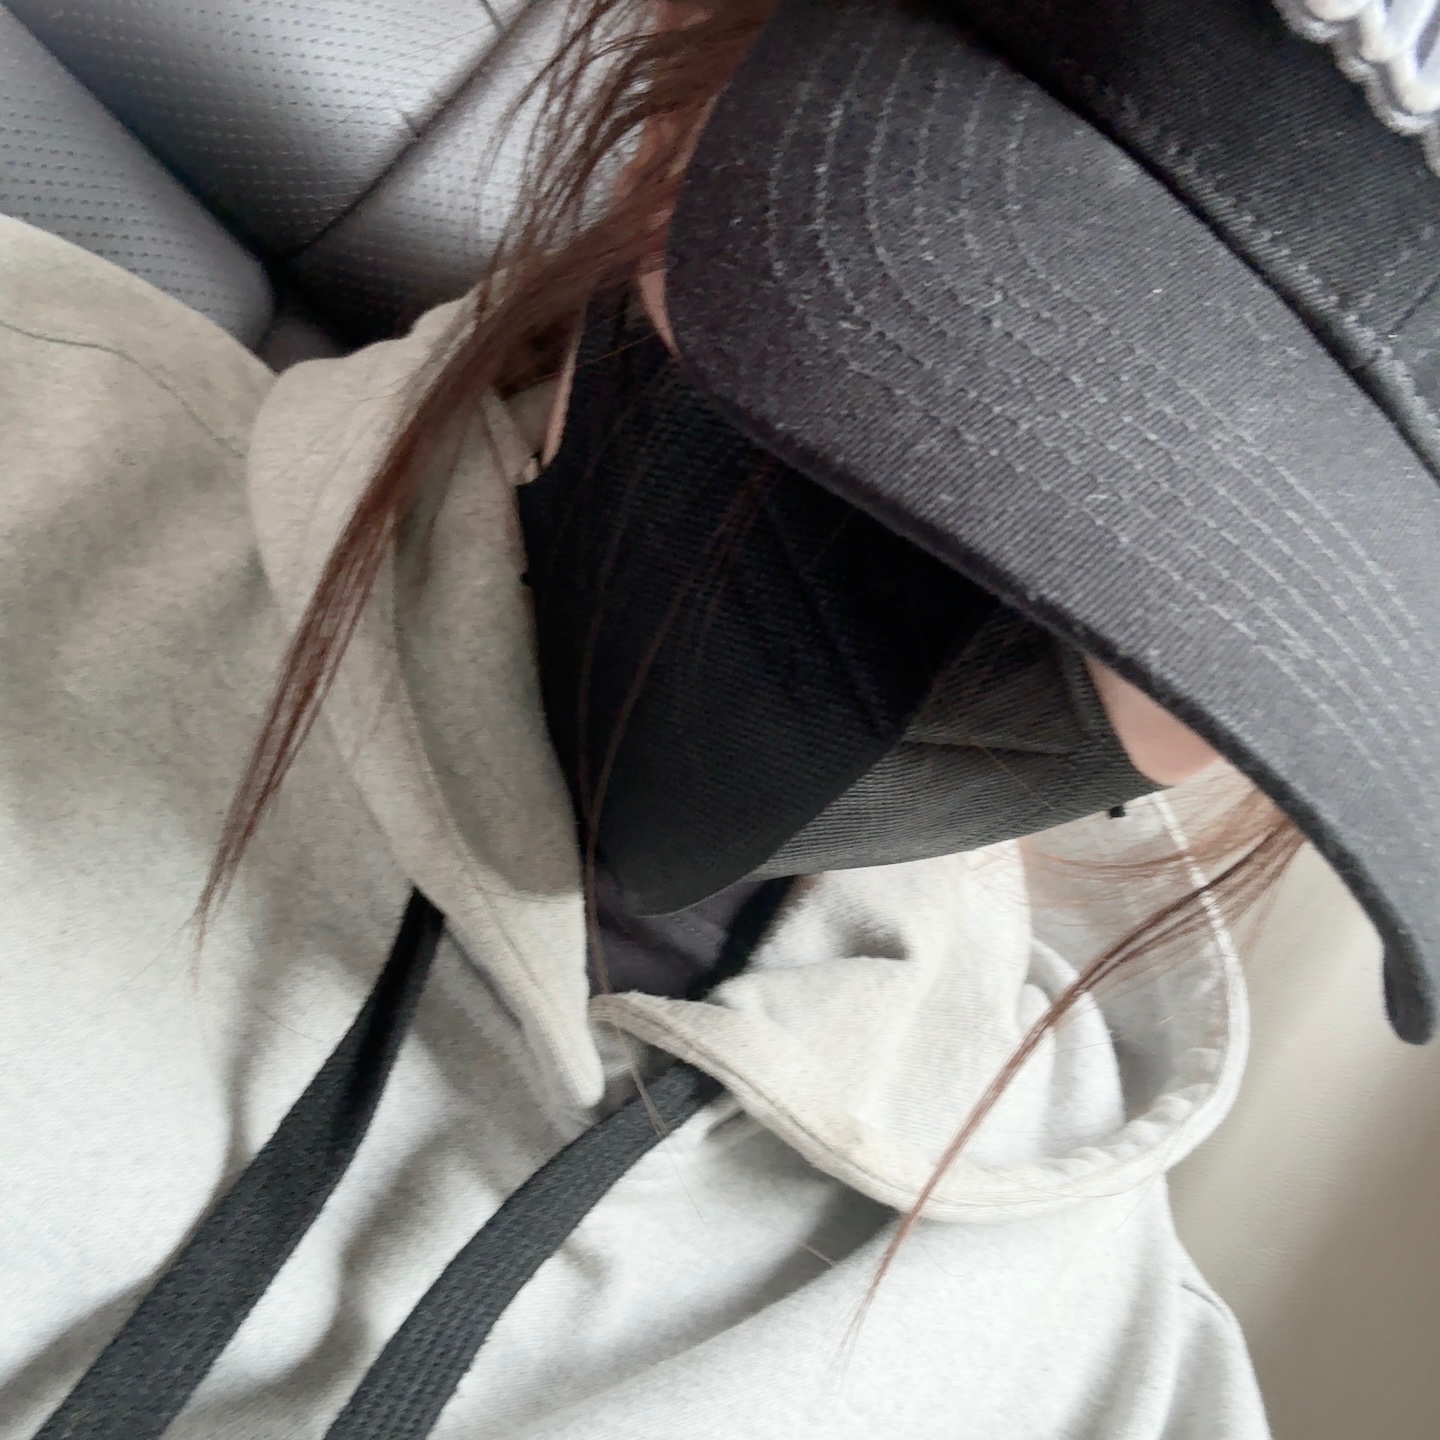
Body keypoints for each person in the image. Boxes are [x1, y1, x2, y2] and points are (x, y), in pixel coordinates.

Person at [3, 2, 1438, 1438]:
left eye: (1256, 571)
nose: (1001, 571)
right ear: (684, 93)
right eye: (932, 334)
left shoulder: (1096, 1372)